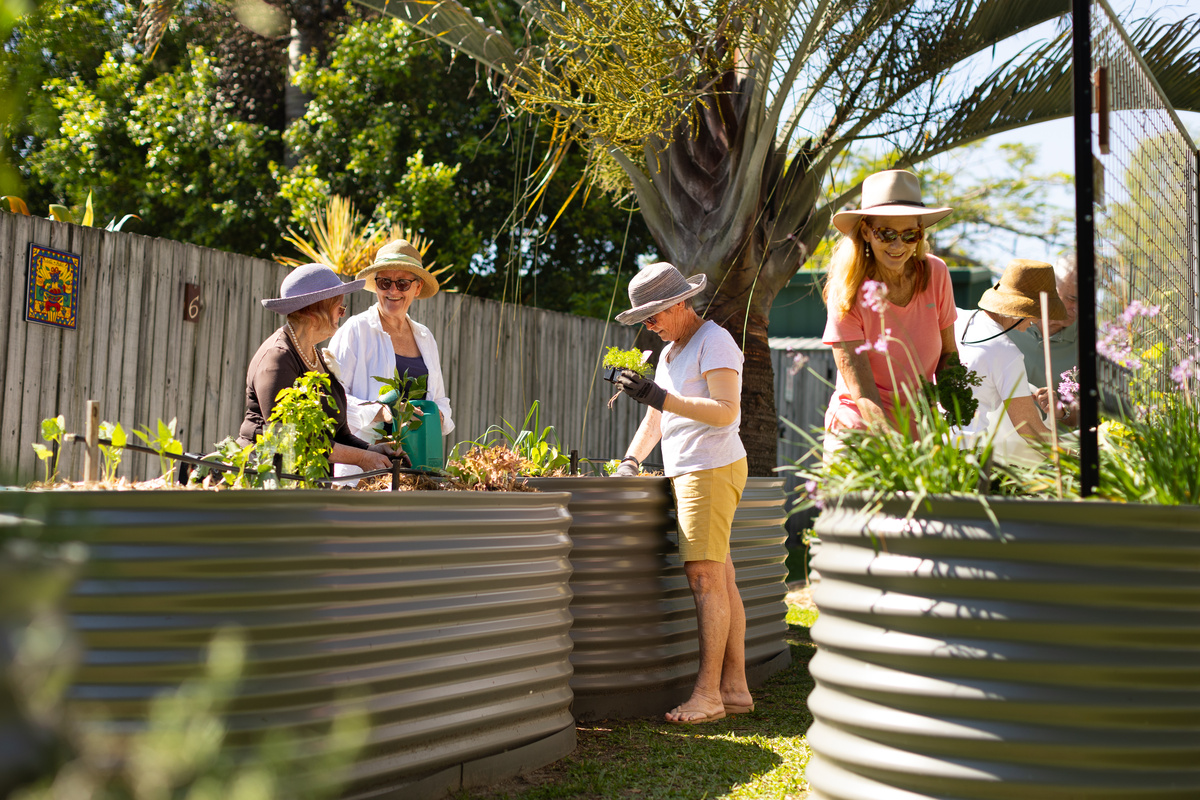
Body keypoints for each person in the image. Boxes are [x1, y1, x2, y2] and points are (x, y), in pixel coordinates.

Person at [609, 261, 752, 725]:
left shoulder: (715, 341)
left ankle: (707, 695)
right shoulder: (671, 352)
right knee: (723, 579)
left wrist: (660, 397)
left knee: (705, 580)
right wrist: (631, 461)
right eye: (643, 319)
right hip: (691, 471)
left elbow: (727, 411)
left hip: (710, 469)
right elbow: (658, 419)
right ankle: (734, 689)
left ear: (679, 302)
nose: (649, 325)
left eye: (653, 315)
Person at [822, 169, 958, 447]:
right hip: (861, 427)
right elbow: (863, 394)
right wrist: (896, 448)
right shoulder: (847, 289)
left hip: (922, 426)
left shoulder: (936, 273)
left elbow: (948, 352)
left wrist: (956, 397)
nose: (898, 245)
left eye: (910, 235)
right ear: (866, 231)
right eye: (886, 233)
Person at [238, 263, 398, 473]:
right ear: (315, 311)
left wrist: (373, 450)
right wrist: (361, 458)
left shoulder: (316, 357)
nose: (342, 314)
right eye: (339, 308)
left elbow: (339, 435)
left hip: (308, 484)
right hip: (268, 480)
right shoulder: (277, 358)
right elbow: (290, 438)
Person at [327, 240, 454, 477]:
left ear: (417, 288)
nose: (392, 291)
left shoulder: (425, 337)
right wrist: (382, 411)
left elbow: (440, 400)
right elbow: (332, 399)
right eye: (385, 282)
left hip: (420, 466)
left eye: (403, 283)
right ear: (375, 286)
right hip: (365, 468)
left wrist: (437, 415)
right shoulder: (356, 329)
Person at [953, 259, 1066, 463]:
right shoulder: (1006, 352)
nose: (1036, 322)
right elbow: (1032, 431)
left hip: (925, 446)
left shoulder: (956, 318)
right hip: (965, 457)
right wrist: (1077, 460)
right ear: (1019, 309)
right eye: (1036, 314)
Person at [1006, 253, 1079, 424]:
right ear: (1049, 289)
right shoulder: (1007, 322)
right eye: (1072, 299)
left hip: (1049, 444)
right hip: (994, 439)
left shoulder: (1092, 343)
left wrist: (1062, 410)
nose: (1078, 308)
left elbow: (1093, 414)